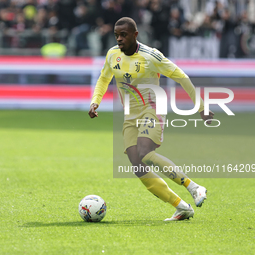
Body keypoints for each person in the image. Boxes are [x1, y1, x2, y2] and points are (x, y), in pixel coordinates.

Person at [88, 17, 214, 221]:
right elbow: (104, 78)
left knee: (145, 152)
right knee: (137, 164)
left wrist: (200, 106)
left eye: (123, 35)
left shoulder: (151, 56)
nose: (119, 39)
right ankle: (181, 206)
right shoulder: (112, 55)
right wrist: (95, 101)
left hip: (152, 108)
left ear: (135, 35)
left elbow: (182, 77)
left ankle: (194, 187)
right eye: (116, 35)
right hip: (130, 114)